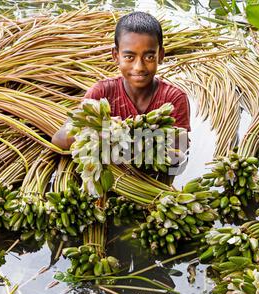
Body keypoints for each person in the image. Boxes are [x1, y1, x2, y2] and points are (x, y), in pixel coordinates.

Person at [52, 11, 190, 179]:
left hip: (153, 184)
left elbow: (179, 154)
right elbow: (59, 139)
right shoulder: (101, 93)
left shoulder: (173, 98)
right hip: (111, 181)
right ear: (116, 56)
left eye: (149, 56)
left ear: (160, 55)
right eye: (129, 57)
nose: (139, 66)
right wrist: (104, 131)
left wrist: (130, 138)